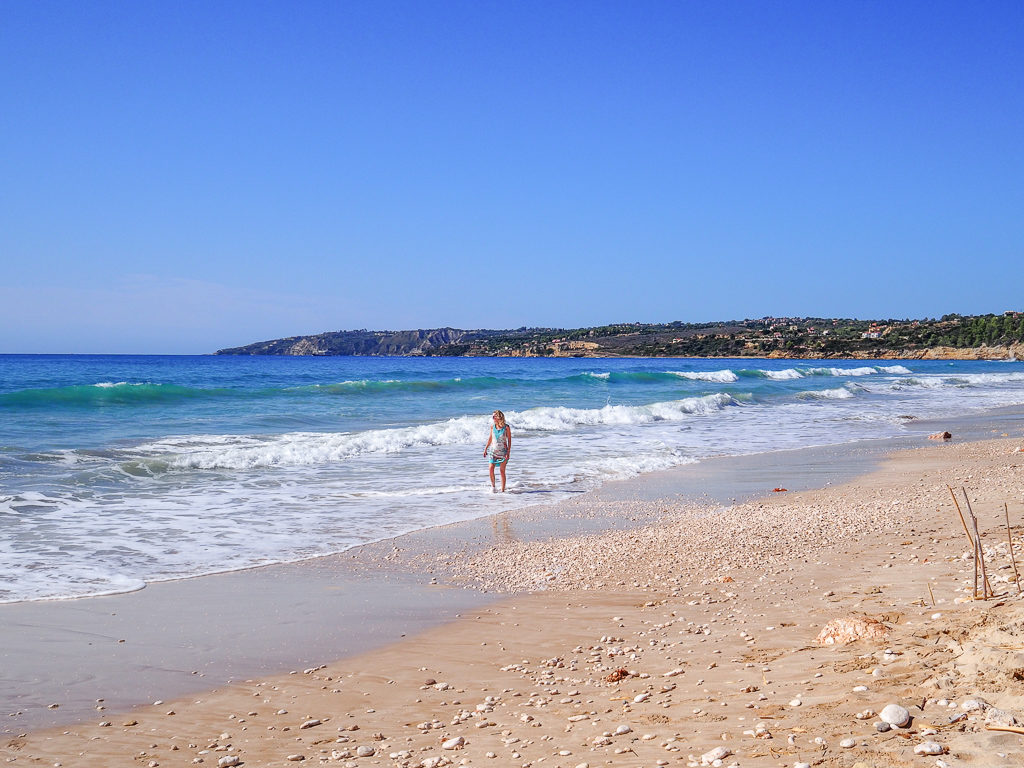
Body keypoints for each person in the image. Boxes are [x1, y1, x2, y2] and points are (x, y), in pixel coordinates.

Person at [483, 409, 512, 492]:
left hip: (503, 452)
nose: (492, 418)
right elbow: (490, 438)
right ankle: (493, 487)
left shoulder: (506, 427)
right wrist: (485, 449)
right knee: (490, 468)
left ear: (499, 417)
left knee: (502, 471)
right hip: (493, 451)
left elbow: (509, 440)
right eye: (492, 416)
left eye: (494, 416)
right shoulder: (492, 427)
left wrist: (508, 452)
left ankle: (503, 490)